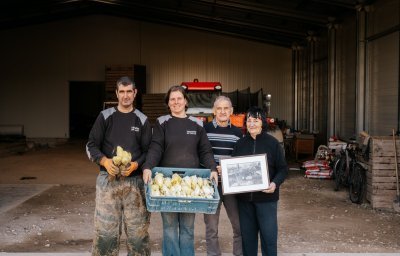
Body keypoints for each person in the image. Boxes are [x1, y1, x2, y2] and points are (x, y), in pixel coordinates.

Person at [142, 85, 218, 256]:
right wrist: (147, 166)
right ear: (168, 103)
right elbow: (156, 147)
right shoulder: (162, 122)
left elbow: (205, 150)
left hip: (190, 185)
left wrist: (212, 167)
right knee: (169, 228)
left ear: (185, 101)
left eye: (179, 99)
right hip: (167, 185)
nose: (176, 102)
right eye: (172, 99)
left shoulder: (197, 124)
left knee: (188, 228)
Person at [86, 76, 152, 256]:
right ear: (116, 93)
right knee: (106, 235)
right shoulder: (105, 117)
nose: (125, 96)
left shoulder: (142, 120)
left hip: (135, 184)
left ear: (135, 93)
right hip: (108, 182)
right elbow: (91, 145)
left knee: (138, 237)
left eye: (129, 91)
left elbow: (150, 151)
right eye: (121, 92)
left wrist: (137, 164)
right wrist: (105, 161)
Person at [232, 106, 288, 256]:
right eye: (249, 121)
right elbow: (234, 170)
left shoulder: (272, 143)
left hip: (267, 199)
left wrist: (274, 183)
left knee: (269, 239)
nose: (251, 124)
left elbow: (283, 169)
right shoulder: (240, 144)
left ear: (262, 122)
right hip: (245, 201)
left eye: (255, 120)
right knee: (248, 241)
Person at [203, 95, 243, 256]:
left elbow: (240, 159)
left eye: (226, 108)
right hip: (210, 185)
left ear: (231, 111)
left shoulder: (238, 132)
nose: (222, 111)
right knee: (211, 226)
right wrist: (212, 167)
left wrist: (227, 168)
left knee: (239, 225)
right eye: (219, 108)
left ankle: (239, 253)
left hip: (231, 185)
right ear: (213, 111)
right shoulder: (204, 130)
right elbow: (201, 154)